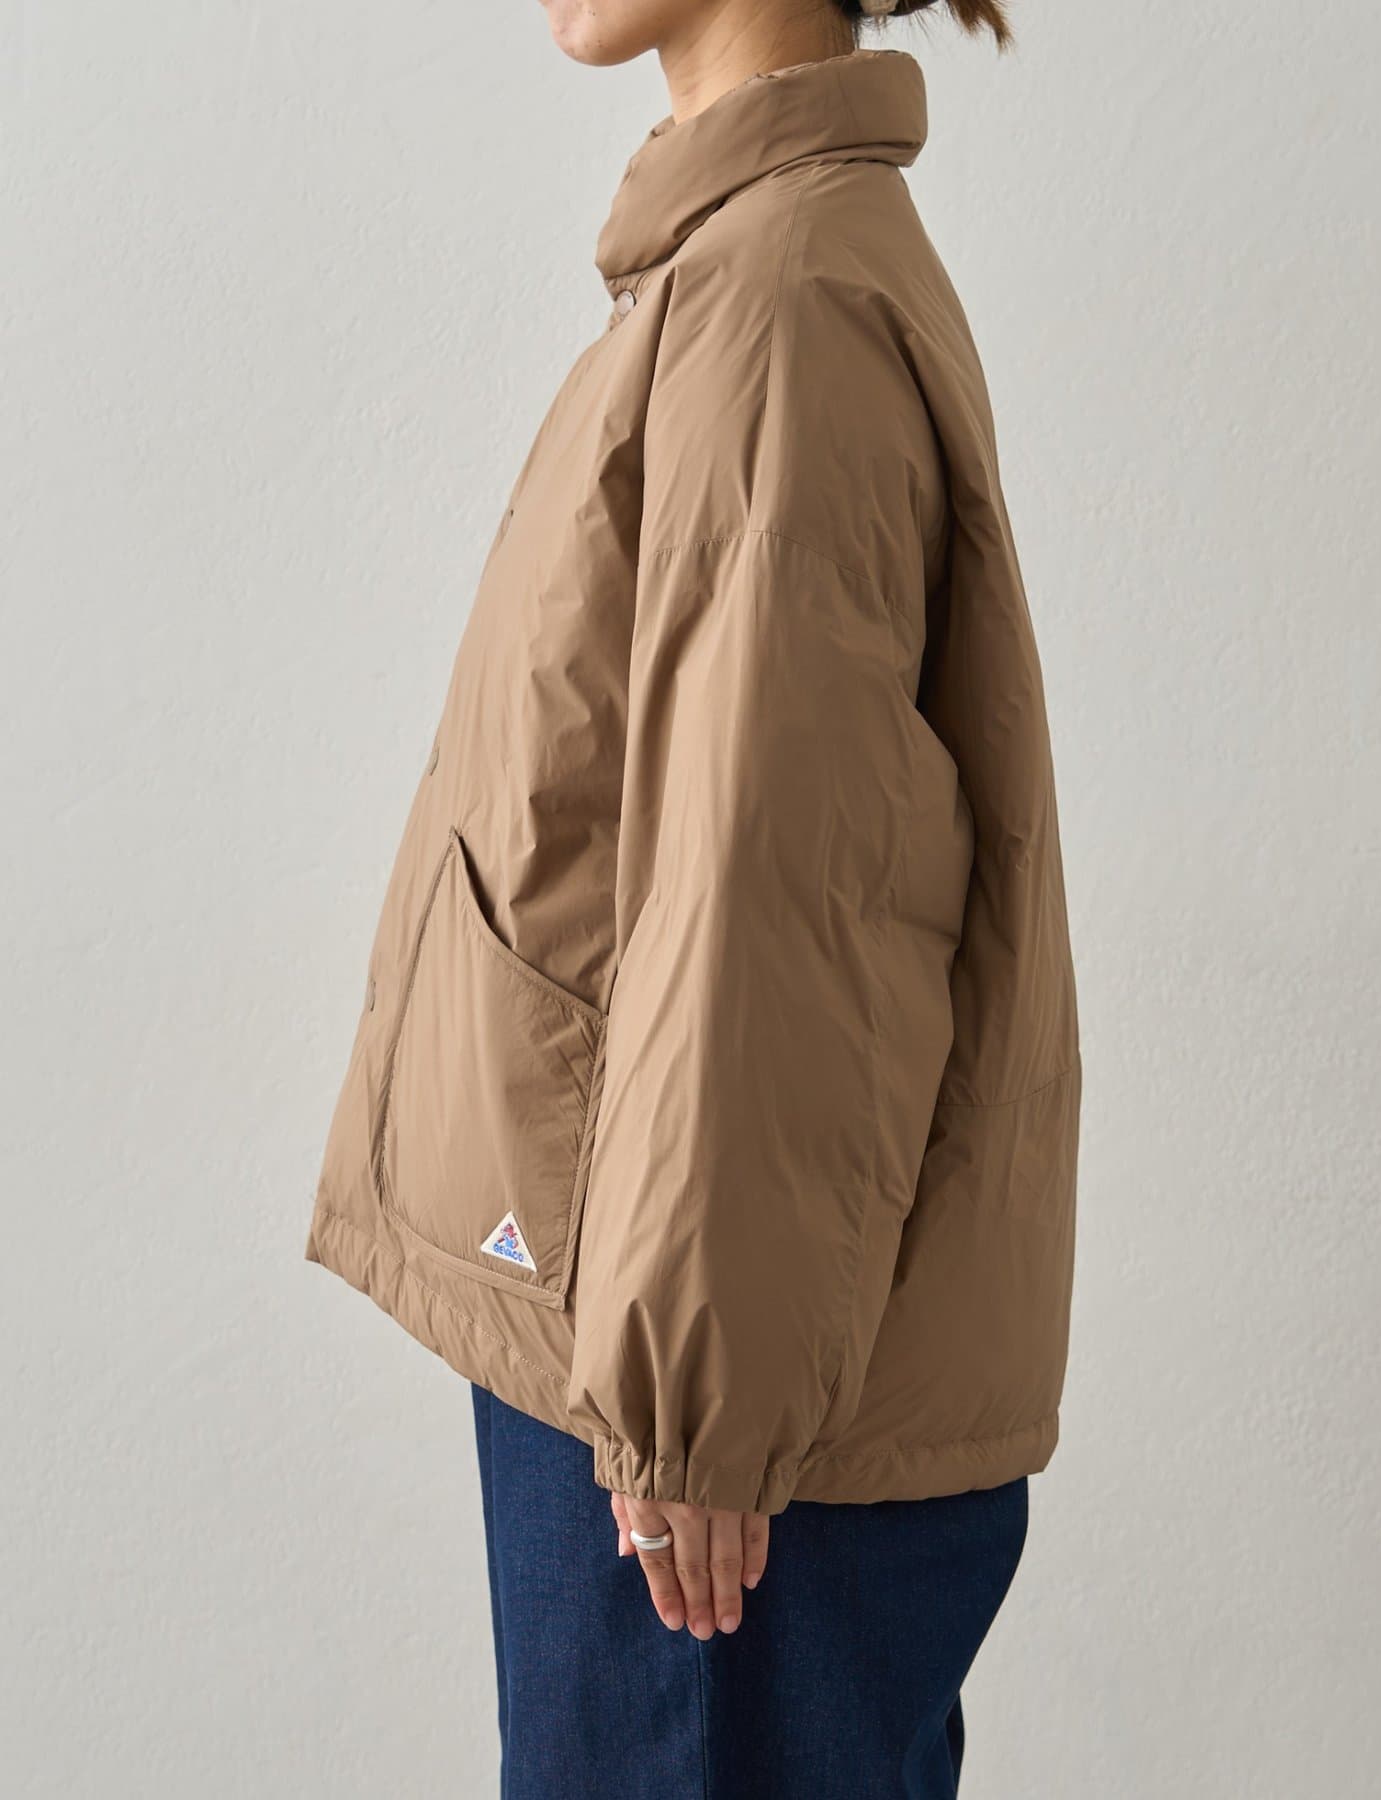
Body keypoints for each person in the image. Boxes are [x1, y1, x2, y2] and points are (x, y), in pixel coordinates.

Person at [304, 0, 1082, 1792]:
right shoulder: (750, 266)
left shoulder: (779, 300)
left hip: (705, 1439)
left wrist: (693, 1407)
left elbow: (771, 888)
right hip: (685, 1366)